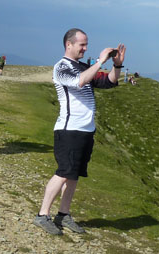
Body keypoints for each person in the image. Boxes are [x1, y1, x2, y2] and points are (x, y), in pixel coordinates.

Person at [33, 28, 125, 235]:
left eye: (86, 44)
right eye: (82, 44)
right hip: (69, 129)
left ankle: (63, 214)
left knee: (74, 175)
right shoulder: (61, 67)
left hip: (86, 130)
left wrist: (117, 65)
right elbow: (79, 81)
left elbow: (108, 82)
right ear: (69, 44)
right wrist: (100, 62)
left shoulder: (83, 66)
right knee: (64, 172)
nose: (85, 48)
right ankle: (42, 215)